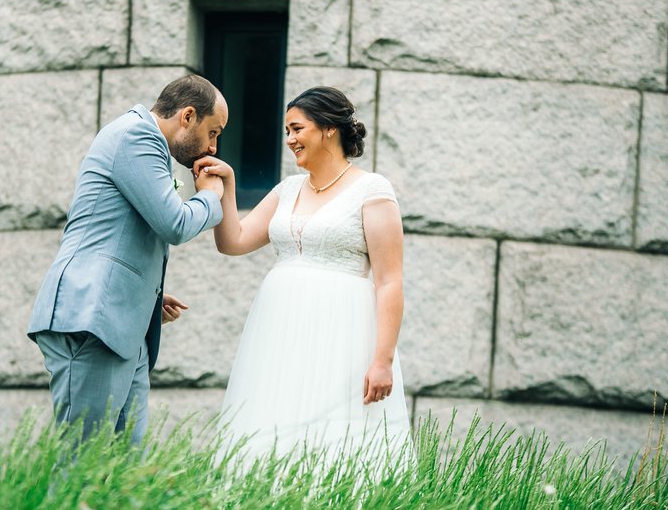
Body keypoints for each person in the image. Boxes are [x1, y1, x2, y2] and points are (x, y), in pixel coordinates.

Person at [195, 86, 412, 467]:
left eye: (297, 129)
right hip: (279, 335)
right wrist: (226, 186)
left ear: (329, 128)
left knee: (335, 438)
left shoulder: (371, 190)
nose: (290, 140)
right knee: (274, 427)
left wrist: (383, 360)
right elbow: (233, 240)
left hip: (341, 337)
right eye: (287, 132)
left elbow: (390, 281)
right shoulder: (288, 189)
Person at [28, 74, 228, 444]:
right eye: (213, 132)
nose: (213, 147)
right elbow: (175, 224)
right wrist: (212, 195)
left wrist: (146, 294)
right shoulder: (136, 136)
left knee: (122, 472)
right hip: (92, 321)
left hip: (122, 325)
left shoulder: (143, 141)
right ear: (187, 116)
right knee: (81, 467)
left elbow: (113, 232)